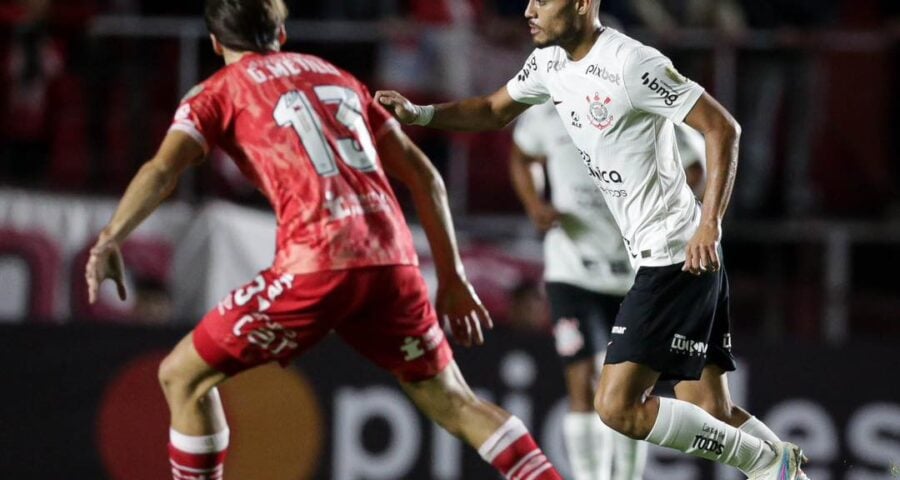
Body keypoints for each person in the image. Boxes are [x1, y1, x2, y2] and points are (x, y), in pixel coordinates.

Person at [84, 2, 563, 479]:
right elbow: (427, 178)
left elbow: (163, 169)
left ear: (214, 43)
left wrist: (110, 237)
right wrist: (453, 278)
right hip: (392, 263)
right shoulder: (338, 78)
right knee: (456, 403)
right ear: (282, 33)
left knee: (181, 375)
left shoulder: (215, 91)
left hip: (317, 262)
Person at [375, 0, 810, 478]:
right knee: (710, 410)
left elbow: (722, 127)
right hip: (671, 256)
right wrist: (420, 114)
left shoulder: (631, 63)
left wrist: (710, 224)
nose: (529, 9)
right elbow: (492, 110)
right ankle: (789, 470)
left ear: (582, 4)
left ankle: (766, 462)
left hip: (674, 254)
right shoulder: (549, 62)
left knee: (617, 407)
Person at [510, 100, 706, 480]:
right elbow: (522, 155)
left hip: (638, 275)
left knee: (630, 393)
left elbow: (697, 165)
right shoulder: (548, 113)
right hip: (573, 272)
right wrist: (535, 204)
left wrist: (667, 212)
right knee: (582, 381)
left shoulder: (641, 108)